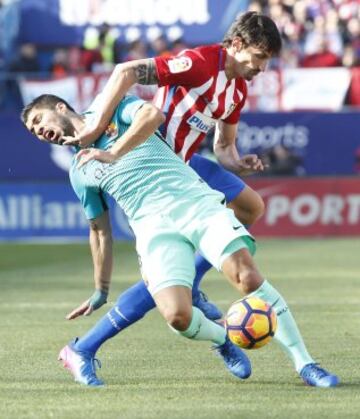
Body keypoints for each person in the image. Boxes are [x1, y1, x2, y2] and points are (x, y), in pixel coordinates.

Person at [22, 92, 339, 389]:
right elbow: (99, 230)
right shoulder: (79, 171)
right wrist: (100, 289)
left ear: (60, 107)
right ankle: (222, 338)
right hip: (152, 229)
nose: (38, 131)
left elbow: (152, 115)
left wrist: (113, 151)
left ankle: (306, 364)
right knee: (177, 315)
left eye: (39, 120)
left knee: (246, 276)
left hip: (194, 202)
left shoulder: (115, 107)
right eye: (32, 130)